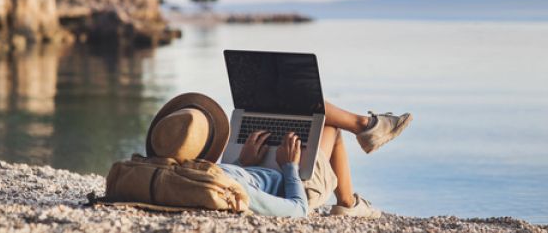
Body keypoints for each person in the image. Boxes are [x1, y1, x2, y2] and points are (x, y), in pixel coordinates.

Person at [145, 93, 413, 218]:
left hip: (256, 168)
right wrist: (290, 167)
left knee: (298, 105)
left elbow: (229, 175)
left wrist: (242, 162)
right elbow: (297, 210)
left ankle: (366, 127)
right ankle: (348, 201)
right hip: (296, 186)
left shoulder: (186, 174)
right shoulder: (226, 187)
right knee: (326, 122)